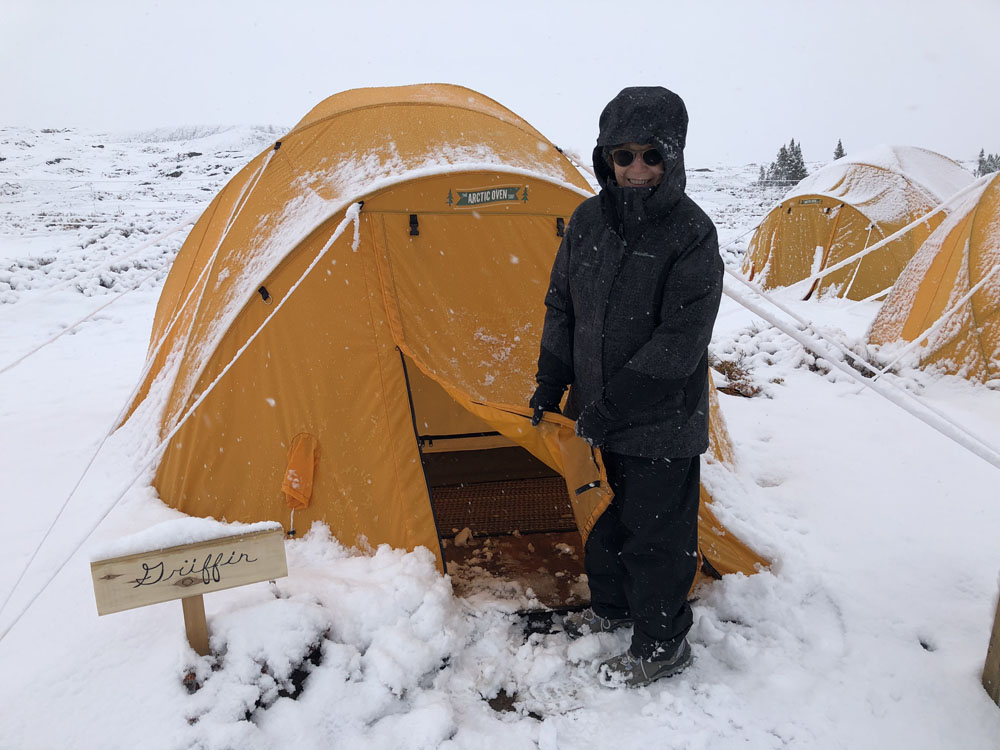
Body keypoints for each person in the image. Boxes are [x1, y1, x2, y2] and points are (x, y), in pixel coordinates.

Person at [529, 86, 723, 687]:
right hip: (601, 412)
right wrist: (552, 380)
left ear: (673, 157)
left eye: (651, 155)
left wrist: (615, 405)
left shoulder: (691, 233)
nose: (637, 169)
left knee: (657, 535)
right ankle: (616, 612)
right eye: (624, 156)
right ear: (605, 159)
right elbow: (564, 306)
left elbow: (680, 340)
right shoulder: (588, 221)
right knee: (612, 523)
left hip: (661, 416)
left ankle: (663, 643)